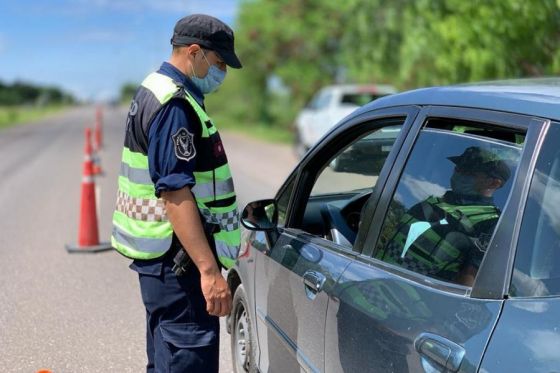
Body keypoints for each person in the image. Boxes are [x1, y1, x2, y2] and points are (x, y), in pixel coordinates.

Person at [110, 14, 243, 372]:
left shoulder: (153, 88)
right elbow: (174, 192)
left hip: (164, 265)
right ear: (195, 53)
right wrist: (209, 271)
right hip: (179, 265)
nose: (222, 74)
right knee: (186, 359)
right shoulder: (175, 105)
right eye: (218, 64)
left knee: (167, 359)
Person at [375, 146, 512, 286]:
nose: (458, 173)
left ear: (494, 183)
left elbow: (468, 283)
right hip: (373, 281)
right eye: (458, 168)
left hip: (407, 303)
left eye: (469, 172)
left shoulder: (490, 223)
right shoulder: (431, 202)